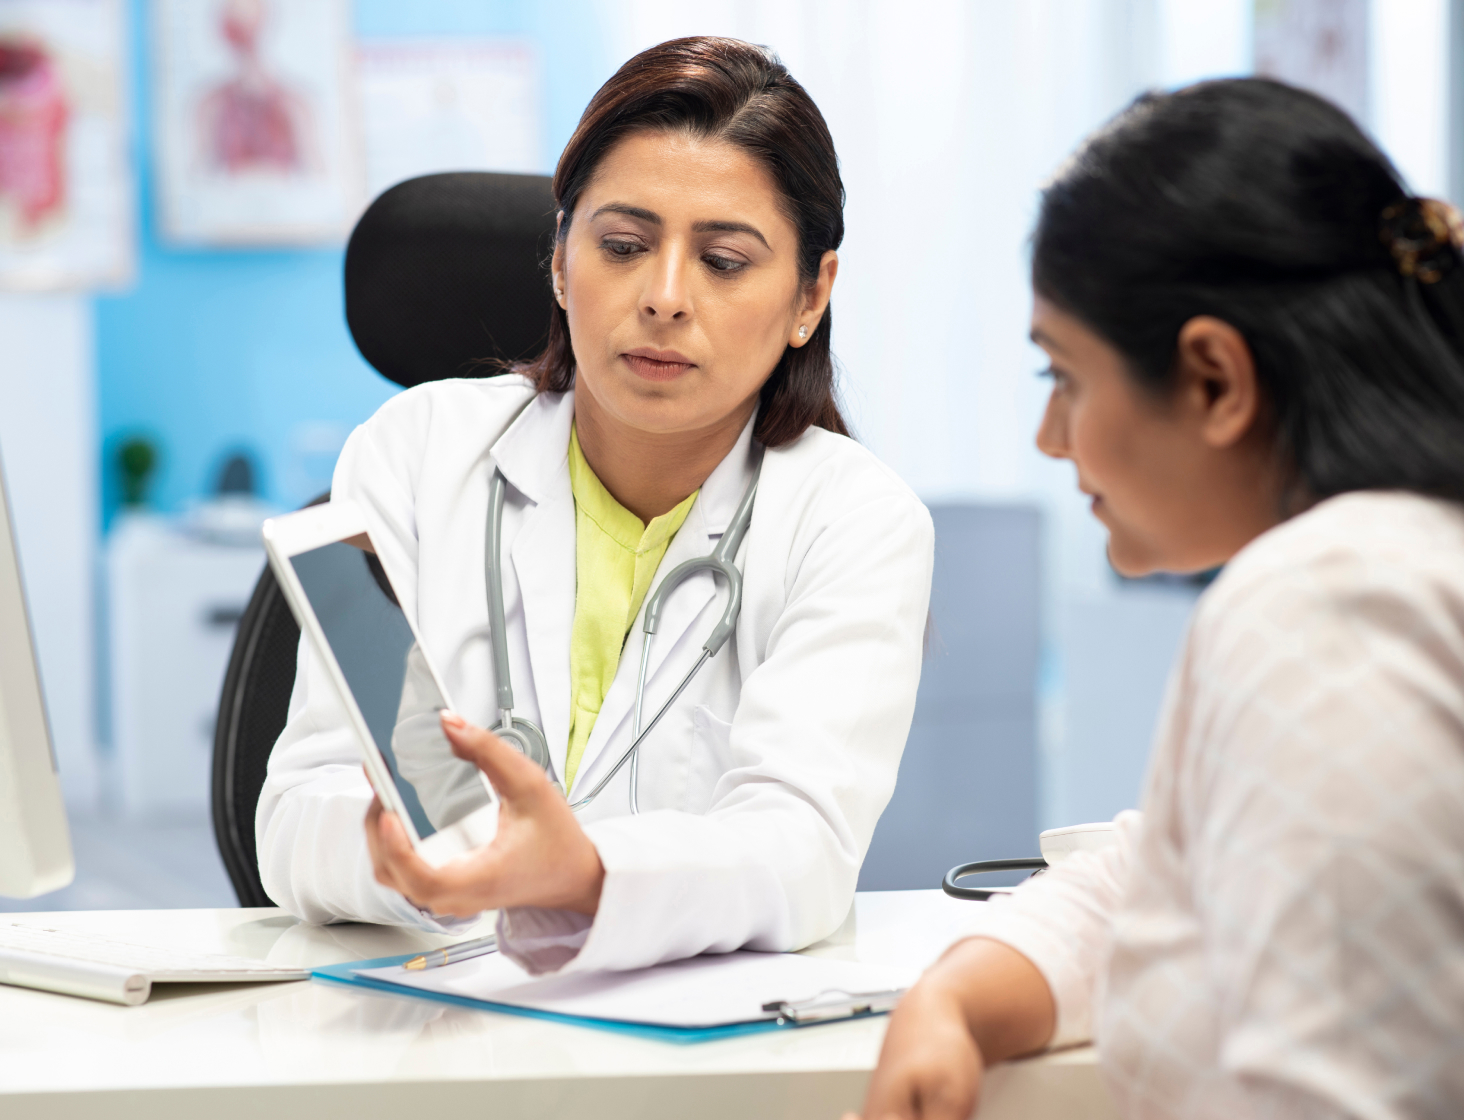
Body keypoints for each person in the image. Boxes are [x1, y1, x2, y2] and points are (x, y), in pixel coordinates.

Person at [256, 37, 934, 976]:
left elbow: (801, 848)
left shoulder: (854, 519)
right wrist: (396, 856)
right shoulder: (413, 454)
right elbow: (298, 808)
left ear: (809, 295)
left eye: (725, 262)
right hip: (427, 1030)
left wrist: (582, 873)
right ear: (562, 261)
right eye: (622, 246)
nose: (663, 298)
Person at [855, 78, 1464, 1120]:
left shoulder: (1331, 609)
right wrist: (953, 997)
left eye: (1066, 377)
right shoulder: (1385, 568)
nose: (1053, 438)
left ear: (1215, 380)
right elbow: (1154, 870)